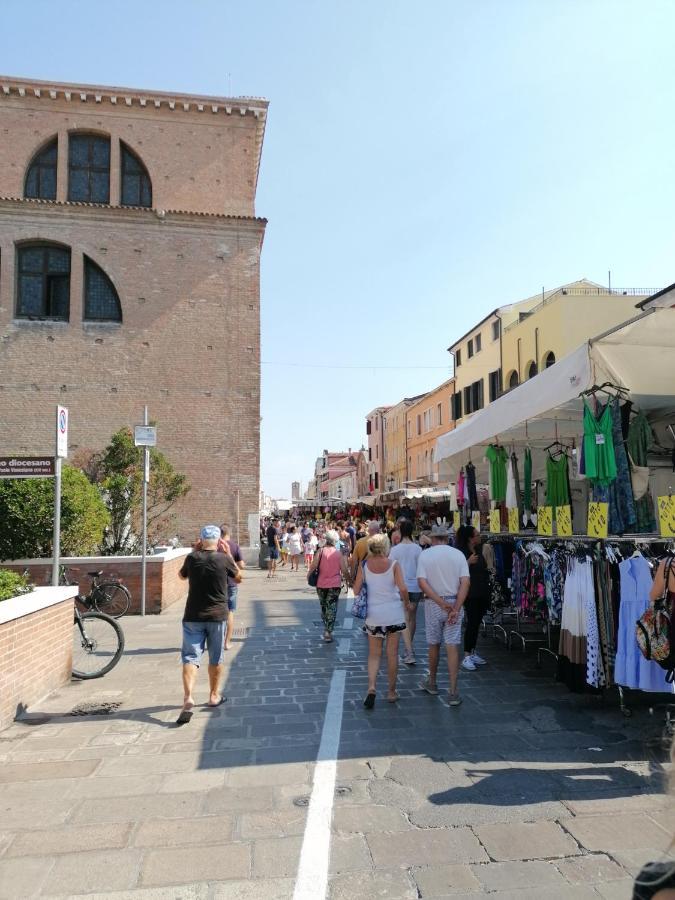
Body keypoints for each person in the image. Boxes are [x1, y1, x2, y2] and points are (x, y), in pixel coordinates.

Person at [177, 525, 241, 724]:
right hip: (217, 616)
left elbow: (181, 575)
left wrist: (194, 551)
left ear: (201, 540)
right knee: (216, 657)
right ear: (219, 541)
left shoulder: (192, 558)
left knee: (190, 657)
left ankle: (188, 697)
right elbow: (239, 578)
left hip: (193, 615)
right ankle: (214, 696)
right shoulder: (223, 559)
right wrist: (229, 554)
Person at [353, 533, 410, 707]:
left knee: (374, 654)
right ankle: (391, 692)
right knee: (392, 654)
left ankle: (371, 687)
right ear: (386, 546)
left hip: (374, 615)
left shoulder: (364, 565)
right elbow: (403, 588)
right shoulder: (393, 565)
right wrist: (407, 603)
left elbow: (356, 591)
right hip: (393, 613)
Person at [416, 524, 470, 706]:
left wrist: (440, 602)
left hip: (433, 604)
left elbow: (422, 583)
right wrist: (456, 607)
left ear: (432, 539)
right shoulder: (459, 555)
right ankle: (453, 691)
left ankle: (432, 682)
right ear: (447, 539)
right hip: (455, 601)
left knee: (433, 644)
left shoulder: (425, 555)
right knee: (452, 645)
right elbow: (465, 583)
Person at [455, 525, 490, 672]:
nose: (479, 536)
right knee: (471, 623)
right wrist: (468, 563)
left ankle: (473, 651)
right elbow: (457, 573)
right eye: (476, 534)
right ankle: (467, 655)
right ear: (470, 537)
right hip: (470, 593)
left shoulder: (479, 549)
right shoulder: (462, 554)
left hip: (481, 591)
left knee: (476, 623)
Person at [389, 518, 423, 665]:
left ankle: (409, 652)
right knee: (412, 618)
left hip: (400, 587)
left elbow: (390, 569)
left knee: (404, 619)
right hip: (415, 586)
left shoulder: (395, 550)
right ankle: (410, 647)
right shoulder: (418, 549)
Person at [308, 529, 350, 642]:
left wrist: (308, 575)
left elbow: (313, 565)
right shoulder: (338, 553)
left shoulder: (320, 551)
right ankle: (328, 631)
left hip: (321, 584)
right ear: (335, 541)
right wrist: (349, 579)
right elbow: (344, 569)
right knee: (331, 607)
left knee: (324, 606)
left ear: (326, 539)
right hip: (335, 584)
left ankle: (327, 627)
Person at [218, 524, 245, 651]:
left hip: (216, 583)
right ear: (230, 533)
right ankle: (227, 642)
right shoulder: (234, 546)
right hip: (231, 583)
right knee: (230, 612)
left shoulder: (214, 546)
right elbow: (242, 565)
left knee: (217, 610)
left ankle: (216, 640)